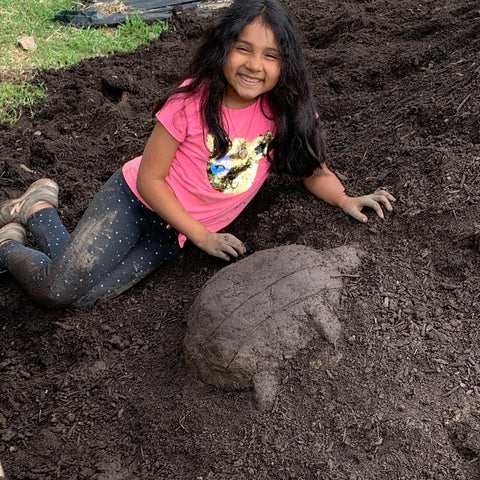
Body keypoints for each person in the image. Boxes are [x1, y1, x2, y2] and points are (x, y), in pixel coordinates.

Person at [0, 0, 395, 307]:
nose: (254, 65)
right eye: (244, 49)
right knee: (57, 290)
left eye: (270, 55)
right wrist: (203, 236)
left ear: (285, 63)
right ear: (224, 48)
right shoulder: (191, 101)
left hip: (174, 234)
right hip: (135, 202)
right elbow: (149, 180)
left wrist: (345, 198)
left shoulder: (287, 113)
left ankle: (37, 210)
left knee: (85, 296)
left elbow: (311, 170)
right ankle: (7, 245)